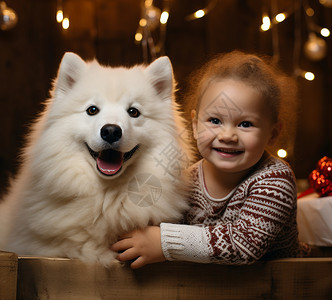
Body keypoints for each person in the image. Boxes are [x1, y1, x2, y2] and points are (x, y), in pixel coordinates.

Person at [111, 50, 300, 269]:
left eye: (245, 124)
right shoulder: (186, 179)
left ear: (273, 133)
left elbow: (243, 244)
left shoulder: (274, 180)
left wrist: (163, 242)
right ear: (194, 125)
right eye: (215, 120)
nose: (227, 135)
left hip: (277, 287)